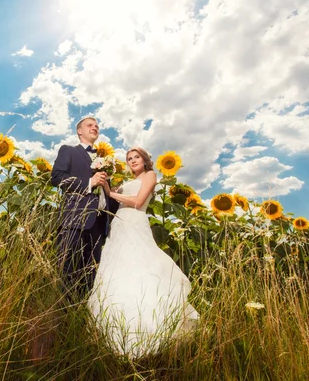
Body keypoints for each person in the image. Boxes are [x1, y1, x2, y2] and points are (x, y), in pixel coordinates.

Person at [87, 147, 199, 358]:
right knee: (118, 272)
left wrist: (111, 192)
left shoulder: (150, 175)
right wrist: (105, 185)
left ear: (145, 159)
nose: (132, 161)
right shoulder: (125, 182)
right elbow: (111, 202)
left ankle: (148, 328)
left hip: (135, 222)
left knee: (140, 266)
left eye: (136, 157)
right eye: (129, 159)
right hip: (119, 226)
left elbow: (138, 202)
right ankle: (115, 329)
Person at [50, 117, 118, 300]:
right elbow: (56, 177)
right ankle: (63, 318)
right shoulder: (69, 151)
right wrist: (89, 182)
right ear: (79, 131)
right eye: (90, 125)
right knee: (68, 271)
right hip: (75, 220)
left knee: (91, 274)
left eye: (97, 126)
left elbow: (106, 193)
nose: (94, 128)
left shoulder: (105, 160)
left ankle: (84, 316)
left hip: (98, 223)